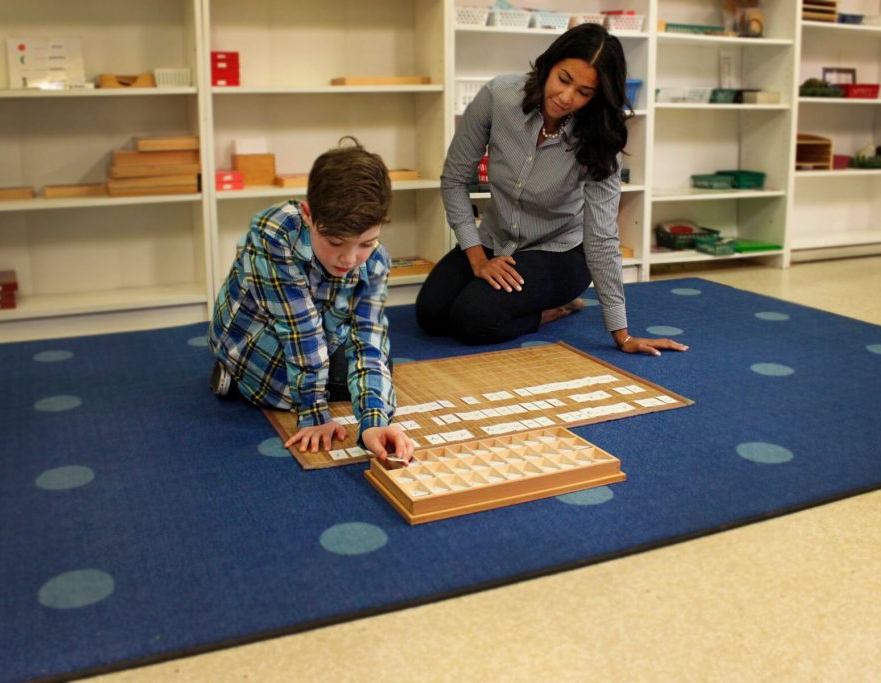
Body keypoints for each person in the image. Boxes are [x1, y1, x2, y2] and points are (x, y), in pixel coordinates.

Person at [416, 23, 688, 357]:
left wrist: (622, 334)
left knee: (473, 319)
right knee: (430, 314)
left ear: (598, 96)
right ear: (550, 64)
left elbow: (602, 236)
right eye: (563, 79)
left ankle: (550, 311)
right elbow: (455, 178)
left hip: (559, 253)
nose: (566, 97)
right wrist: (475, 256)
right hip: (494, 241)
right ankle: (527, 301)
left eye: (584, 93)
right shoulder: (498, 96)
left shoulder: (600, 138)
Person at [208, 138, 413, 463]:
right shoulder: (272, 235)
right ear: (307, 214)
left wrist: (374, 422)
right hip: (258, 345)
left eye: (366, 243)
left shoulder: (375, 261)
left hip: (319, 336)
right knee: (336, 373)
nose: (349, 258)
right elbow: (299, 334)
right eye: (334, 242)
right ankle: (233, 377)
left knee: (378, 362)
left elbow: (369, 341)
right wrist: (315, 413)